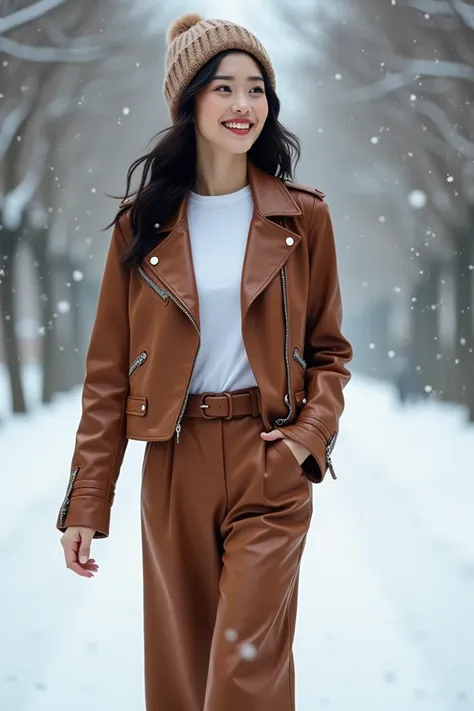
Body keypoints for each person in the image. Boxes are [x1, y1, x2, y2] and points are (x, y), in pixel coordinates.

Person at [57, 12, 353, 711]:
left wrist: (306, 441)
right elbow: (106, 375)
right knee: (185, 679)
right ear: (189, 99)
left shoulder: (304, 218)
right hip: (174, 461)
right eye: (223, 88)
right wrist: (88, 500)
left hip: (267, 461)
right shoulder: (143, 224)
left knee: (241, 677)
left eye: (256, 88)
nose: (243, 104)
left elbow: (330, 352)